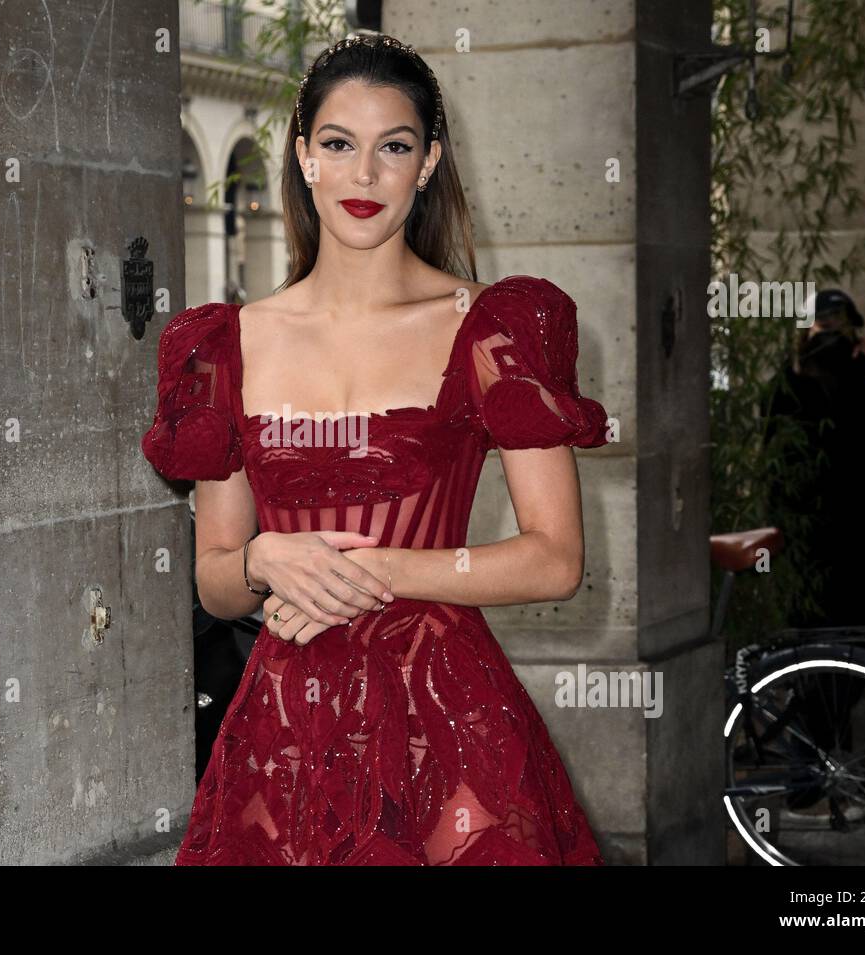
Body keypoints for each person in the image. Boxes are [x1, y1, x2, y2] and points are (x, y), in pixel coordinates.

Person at [141, 33, 609, 865]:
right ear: (303, 157)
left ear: (427, 162)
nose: (364, 175)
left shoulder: (494, 329)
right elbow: (216, 579)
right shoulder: (223, 346)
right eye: (338, 144)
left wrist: (363, 572)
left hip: (451, 734)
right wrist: (265, 556)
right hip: (283, 741)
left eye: (392, 147)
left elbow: (555, 559)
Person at [763, 289, 865, 631]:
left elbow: (859, 451)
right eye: (821, 328)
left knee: (858, 630)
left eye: (839, 331)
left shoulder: (853, 390)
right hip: (815, 532)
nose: (831, 344)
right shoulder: (789, 390)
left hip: (861, 529)